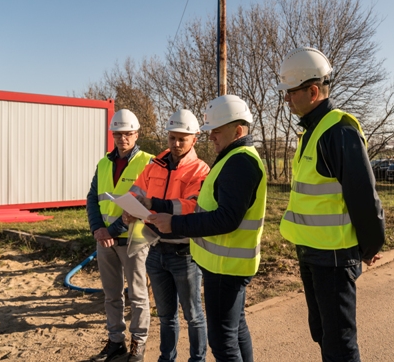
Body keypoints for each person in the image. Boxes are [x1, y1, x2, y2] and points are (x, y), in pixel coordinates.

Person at [276, 47, 385, 362]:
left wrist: (370, 246)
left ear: (313, 92)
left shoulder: (339, 130)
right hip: (313, 253)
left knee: (339, 344)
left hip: (334, 258)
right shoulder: (313, 131)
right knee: (323, 334)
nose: (286, 99)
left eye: (290, 92)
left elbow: (363, 197)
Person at [148, 95, 266, 362]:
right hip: (228, 263)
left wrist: (174, 223)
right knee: (236, 330)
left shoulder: (239, 162)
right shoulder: (235, 158)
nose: (211, 136)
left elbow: (226, 219)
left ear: (238, 131)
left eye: (217, 130)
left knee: (223, 342)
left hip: (226, 266)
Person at [124, 109, 210, 362]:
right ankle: (166, 359)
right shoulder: (155, 165)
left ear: (194, 139)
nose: (176, 143)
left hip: (184, 254)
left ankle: (197, 359)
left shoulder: (200, 170)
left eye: (183, 138)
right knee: (165, 316)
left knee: (193, 315)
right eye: (172, 137)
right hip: (155, 249)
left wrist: (155, 204)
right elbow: (136, 191)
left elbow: (192, 206)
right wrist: (130, 209)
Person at [86, 109, 153, 362]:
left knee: (137, 295)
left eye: (127, 134)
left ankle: (138, 344)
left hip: (134, 238)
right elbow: (92, 198)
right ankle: (116, 342)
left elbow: (143, 203)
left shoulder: (148, 162)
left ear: (136, 134)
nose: (122, 138)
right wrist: (97, 229)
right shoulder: (104, 163)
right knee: (111, 295)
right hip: (105, 239)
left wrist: (110, 231)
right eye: (118, 134)